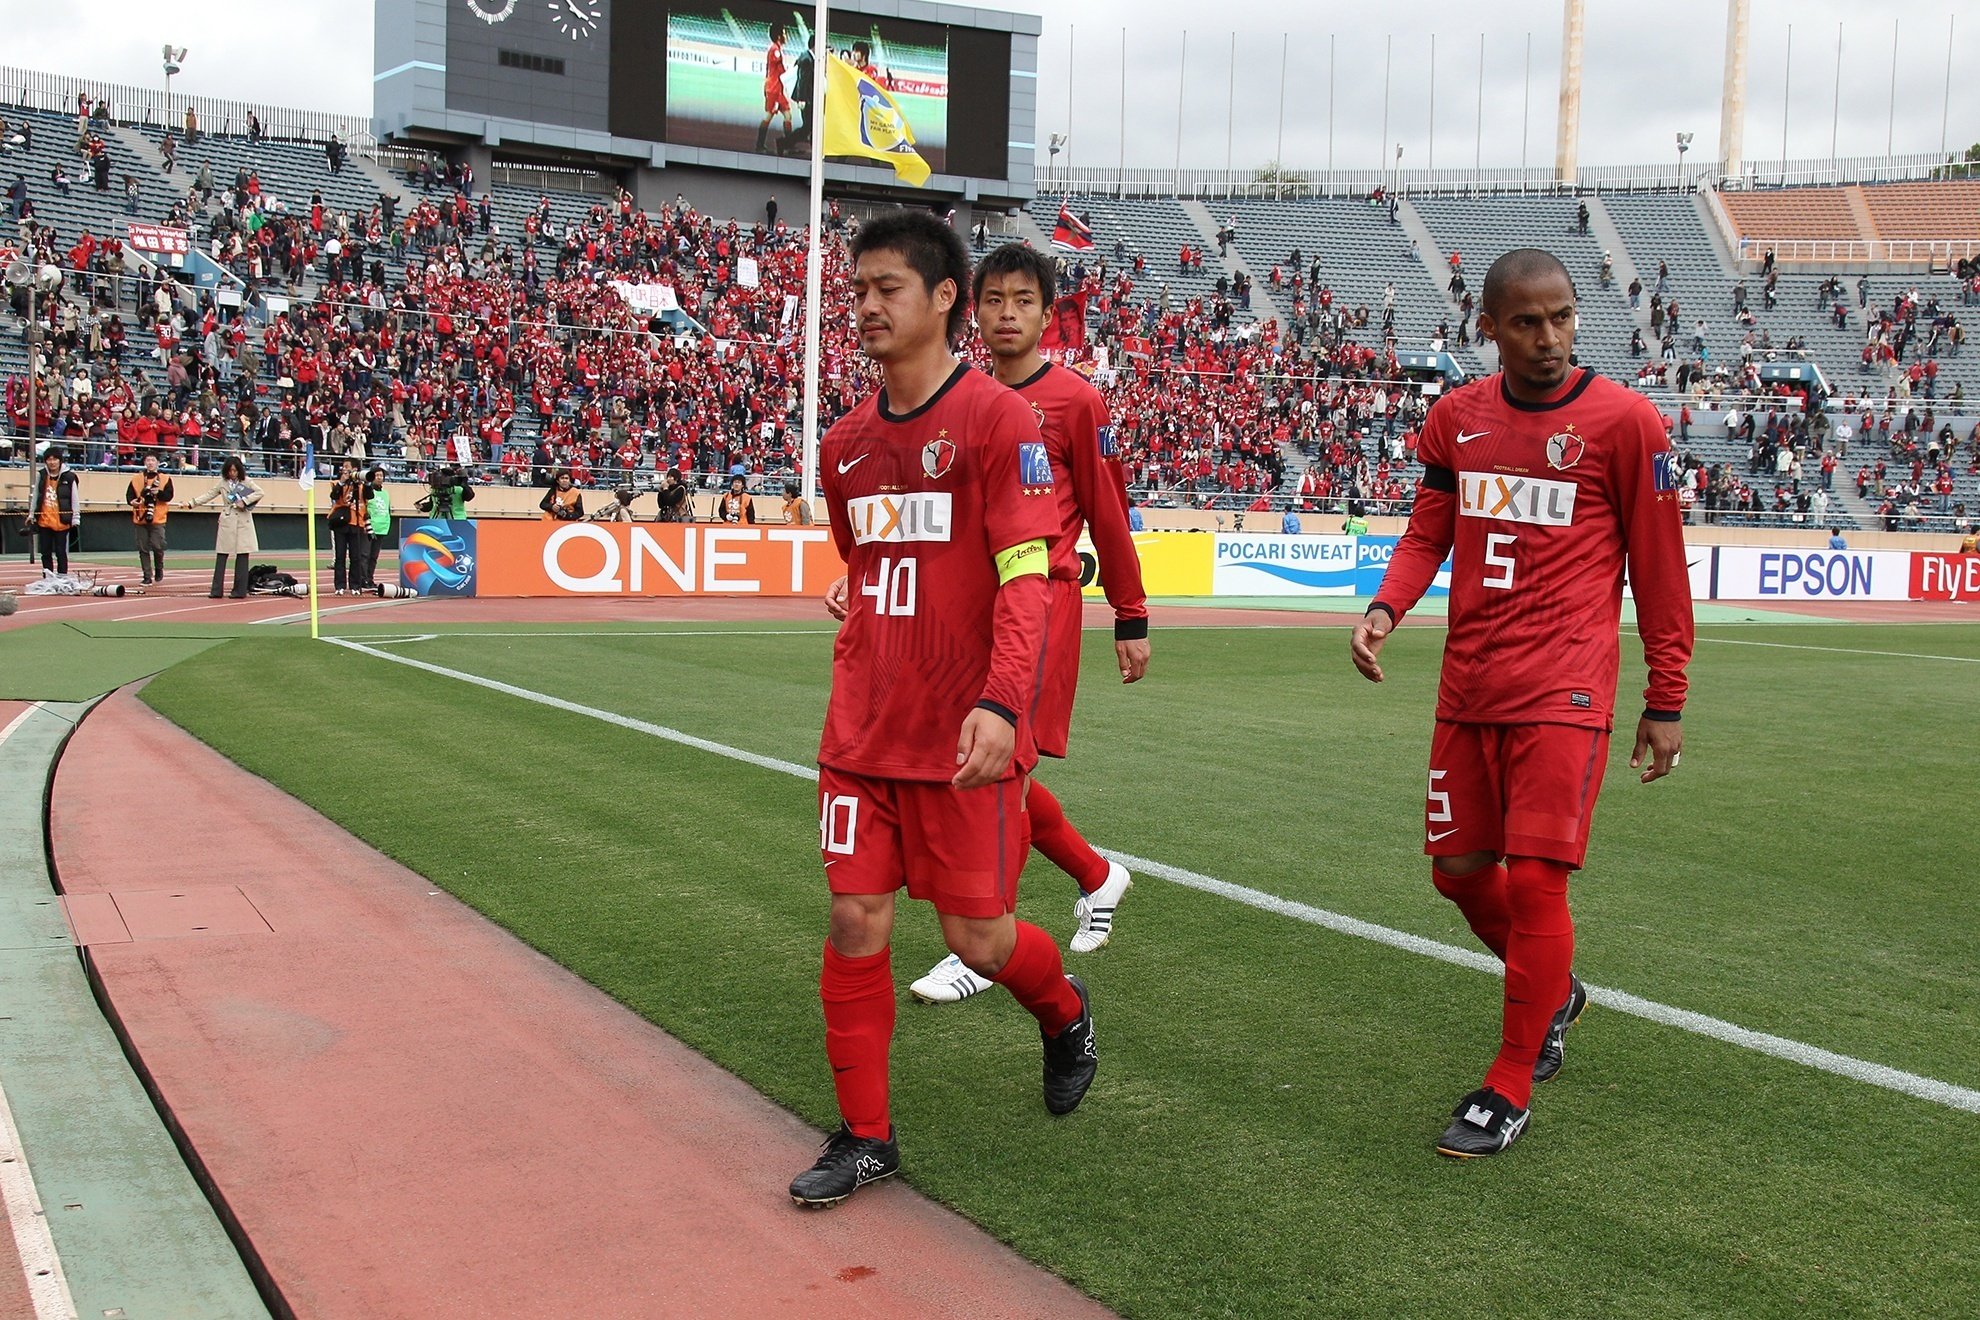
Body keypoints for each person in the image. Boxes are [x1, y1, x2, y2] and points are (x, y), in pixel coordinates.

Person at [1350, 248, 1694, 1159]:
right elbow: (1430, 529)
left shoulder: (1627, 424)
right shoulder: (1455, 419)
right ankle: (1557, 989)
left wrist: (1669, 696)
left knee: (1538, 880)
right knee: (1457, 871)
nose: (1549, 339)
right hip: (1470, 684)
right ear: (1488, 328)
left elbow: (1660, 573)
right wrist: (1388, 605)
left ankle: (1506, 1085)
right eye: (1527, 323)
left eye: (1563, 318)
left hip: (1565, 688)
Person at [789, 210, 1096, 1209]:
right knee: (854, 917)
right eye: (860, 289)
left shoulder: (1002, 425)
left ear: (945, 299)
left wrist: (1003, 701)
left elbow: (1028, 577)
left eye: (888, 289)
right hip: (862, 731)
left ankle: (1062, 1012)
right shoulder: (843, 445)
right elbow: (864, 554)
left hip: (962, 735)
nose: (867, 306)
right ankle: (866, 1137)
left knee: (980, 940)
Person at [849, 242, 1149, 1006]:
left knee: (997, 768)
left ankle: (984, 934)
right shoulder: (957, 398)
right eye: (994, 300)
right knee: (988, 768)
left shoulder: (1076, 402)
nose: (1006, 314)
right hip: (962, 614)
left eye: (1023, 301)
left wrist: (1130, 611)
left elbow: (1108, 511)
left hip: (1037, 606)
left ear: (1050, 316)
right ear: (967, 308)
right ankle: (1090, 875)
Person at [192, 457, 264, 598]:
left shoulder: (247, 481)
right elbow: (209, 495)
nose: (232, 473)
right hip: (227, 518)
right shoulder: (222, 483)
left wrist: (244, 501)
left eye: (235, 470)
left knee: (243, 556)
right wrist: (192, 503)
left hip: (243, 521)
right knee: (222, 555)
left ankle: (239, 590)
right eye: (230, 470)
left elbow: (260, 492)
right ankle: (216, 590)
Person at [26, 448, 79, 576]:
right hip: (44, 520)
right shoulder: (42, 475)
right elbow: (36, 495)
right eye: (49, 459)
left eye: (55, 459)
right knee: (45, 552)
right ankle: (48, 576)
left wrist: (75, 517)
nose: (52, 462)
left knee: (61, 551)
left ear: (60, 461)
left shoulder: (70, 477)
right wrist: (32, 514)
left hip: (62, 521)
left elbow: (74, 498)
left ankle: (62, 577)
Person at [126, 453, 174, 585]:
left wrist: (158, 493)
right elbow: (129, 496)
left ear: (157, 462)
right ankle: (147, 575)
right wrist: (133, 502)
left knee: (158, 546)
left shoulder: (165, 478)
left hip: (158, 518)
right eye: (148, 460)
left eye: (153, 460)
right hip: (140, 517)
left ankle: (159, 567)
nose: (150, 463)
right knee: (143, 548)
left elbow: (169, 496)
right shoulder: (136, 479)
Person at [756, 23, 793, 153]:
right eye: (784, 33)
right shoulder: (775, 50)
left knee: (788, 115)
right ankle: (759, 145)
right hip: (774, 89)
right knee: (769, 115)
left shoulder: (776, 49)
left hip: (778, 89)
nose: (786, 36)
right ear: (778, 36)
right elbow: (780, 69)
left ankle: (788, 145)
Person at [328, 458, 363, 594]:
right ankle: (340, 585)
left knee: (355, 556)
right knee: (340, 555)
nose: (344, 469)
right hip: (341, 523)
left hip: (356, 522)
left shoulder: (360, 485)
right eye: (343, 466)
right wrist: (343, 482)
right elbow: (334, 495)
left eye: (347, 466)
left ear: (354, 469)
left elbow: (369, 495)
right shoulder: (338, 483)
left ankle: (355, 585)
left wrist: (362, 482)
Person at [360, 467, 392, 590]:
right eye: (377, 475)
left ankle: (370, 578)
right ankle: (363, 579)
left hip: (382, 528)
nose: (379, 478)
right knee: (365, 555)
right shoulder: (367, 492)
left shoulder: (385, 493)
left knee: (374, 556)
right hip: (369, 527)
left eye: (381, 475)